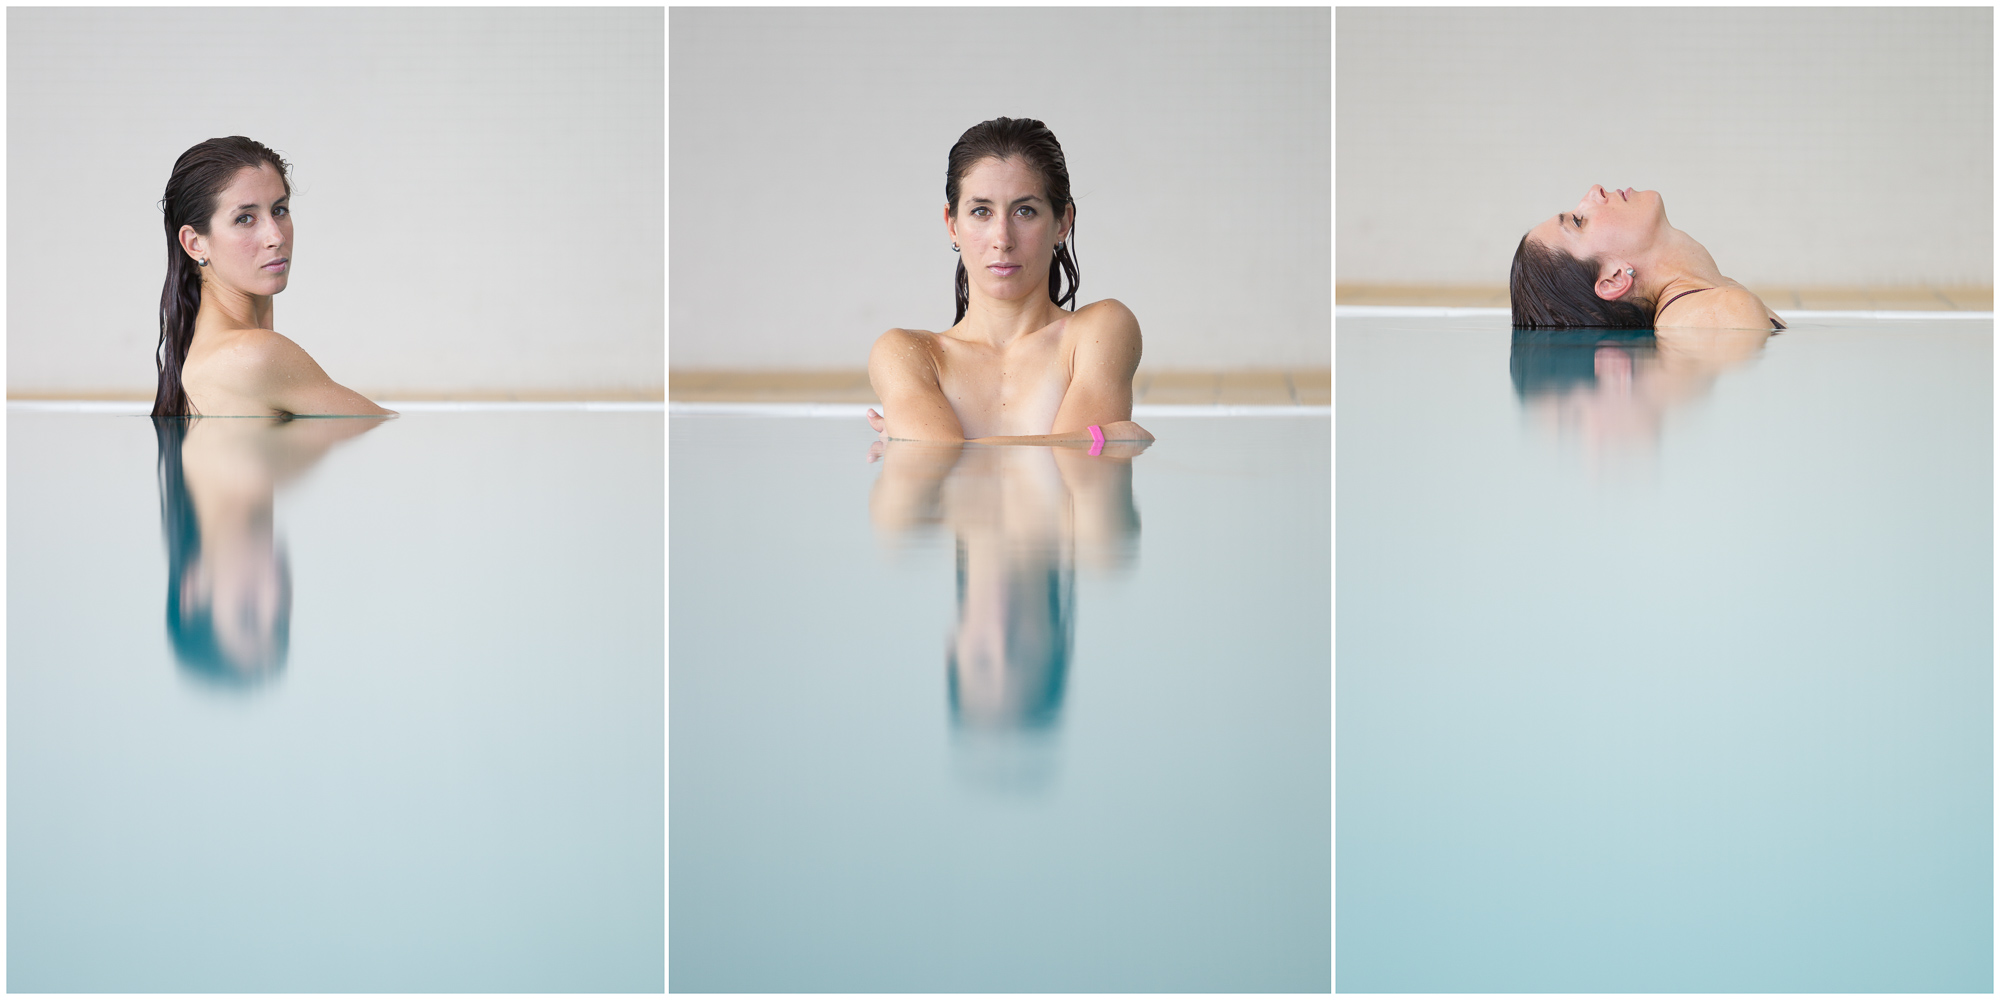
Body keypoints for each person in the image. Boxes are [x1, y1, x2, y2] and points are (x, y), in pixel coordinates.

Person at [865, 117, 1153, 447]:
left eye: (1025, 211)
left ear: (1063, 223)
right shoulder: (906, 354)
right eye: (981, 212)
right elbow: (1070, 456)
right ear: (952, 224)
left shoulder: (1100, 331)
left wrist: (935, 446)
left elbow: (1075, 472)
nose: (1002, 239)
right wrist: (1101, 438)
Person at [153, 136, 394, 418]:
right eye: (245, 218)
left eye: (279, 211)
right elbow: (392, 436)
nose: (276, 237)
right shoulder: (253, 355)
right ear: (195, 244)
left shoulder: (202, 357)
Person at [1510, 185, 1788, 332]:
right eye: (1579, 221)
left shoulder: (1716, 297)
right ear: (1614, 279)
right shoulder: (1722, 312)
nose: (1595, 190)